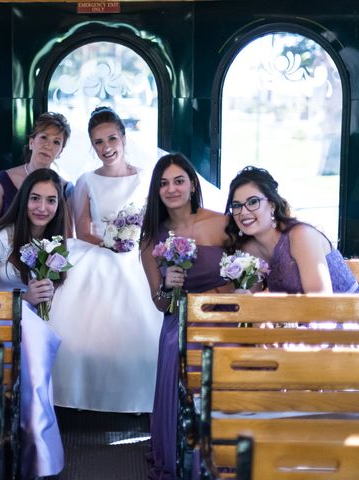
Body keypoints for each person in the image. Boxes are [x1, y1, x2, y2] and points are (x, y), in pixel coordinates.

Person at [48, 106, 163, 413]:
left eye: (111, 138)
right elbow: (82, 230)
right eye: (98, 142)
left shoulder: (146, 178)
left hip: (136, 254)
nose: (106, 147)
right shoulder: (87, 180)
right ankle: (83, 394)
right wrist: (111, 242)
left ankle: (139, 396)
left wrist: (130, 244)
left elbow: (153, 224)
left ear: (124, 138)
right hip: (97, 252)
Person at [140, 153, 231, 480]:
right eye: (163, 183)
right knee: (175, 345)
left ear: (192, 185)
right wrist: (167, 286)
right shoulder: (152, 237)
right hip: (179, 320)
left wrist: (214, 297)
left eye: (179, 181)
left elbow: (251, 276)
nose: (172, 188)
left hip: (226, 316)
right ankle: (182, 457)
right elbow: (161, 304)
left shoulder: (221, 223)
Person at [0, 168, 67, 479]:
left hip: (31, 325)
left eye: (51, 200)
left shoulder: (57, 244)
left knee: (34, 328)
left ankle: (35, 435)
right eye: (35, 198)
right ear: (23, 200)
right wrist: (22, 299)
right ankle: (34, 434)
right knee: (29, 328)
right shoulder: (0, 237)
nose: (42, 207)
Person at [225, 166, 359, 294]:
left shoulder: (301, 235)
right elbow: (249, 305)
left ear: (272, 205)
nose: (243, 212)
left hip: (346, 317)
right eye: (237, 205)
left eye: (253, 202)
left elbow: (321, 301)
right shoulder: (249, 251)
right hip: (292, 320)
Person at [0, 112, 73, 234]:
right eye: (44, 137)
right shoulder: (2, 181)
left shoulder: (66, 188)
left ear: (60, 152)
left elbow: (67, 239)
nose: (48, 146)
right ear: (31, 142)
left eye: (56, 142)